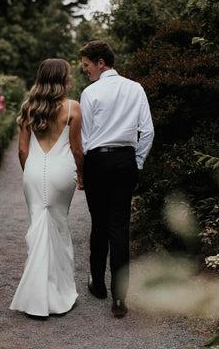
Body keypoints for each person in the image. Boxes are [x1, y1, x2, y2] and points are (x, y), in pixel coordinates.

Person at [79, 40, 154, 318]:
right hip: (125, 161)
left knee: (99, 223)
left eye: (87, 65)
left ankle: (97, 285)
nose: (85, 70)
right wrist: (137, 162)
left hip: (97, 161)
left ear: (101, 62)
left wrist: (86, 167)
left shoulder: (89, 92)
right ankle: (120, 299)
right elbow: (146, 131)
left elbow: (85, 137)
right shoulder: (135, 88)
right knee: (120, 227)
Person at [10, 58, 83, 317]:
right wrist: (82, 177)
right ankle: (59, 294)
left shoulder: (29, 107)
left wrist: (29, 173)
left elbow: (22, 150)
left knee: (37, 227)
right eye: (68, 76)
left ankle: (37, 295)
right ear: (61, 79)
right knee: (59, 228)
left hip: (33, 171)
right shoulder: (73, 107)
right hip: (62, 173)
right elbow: (76, 150)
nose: (71, 80)